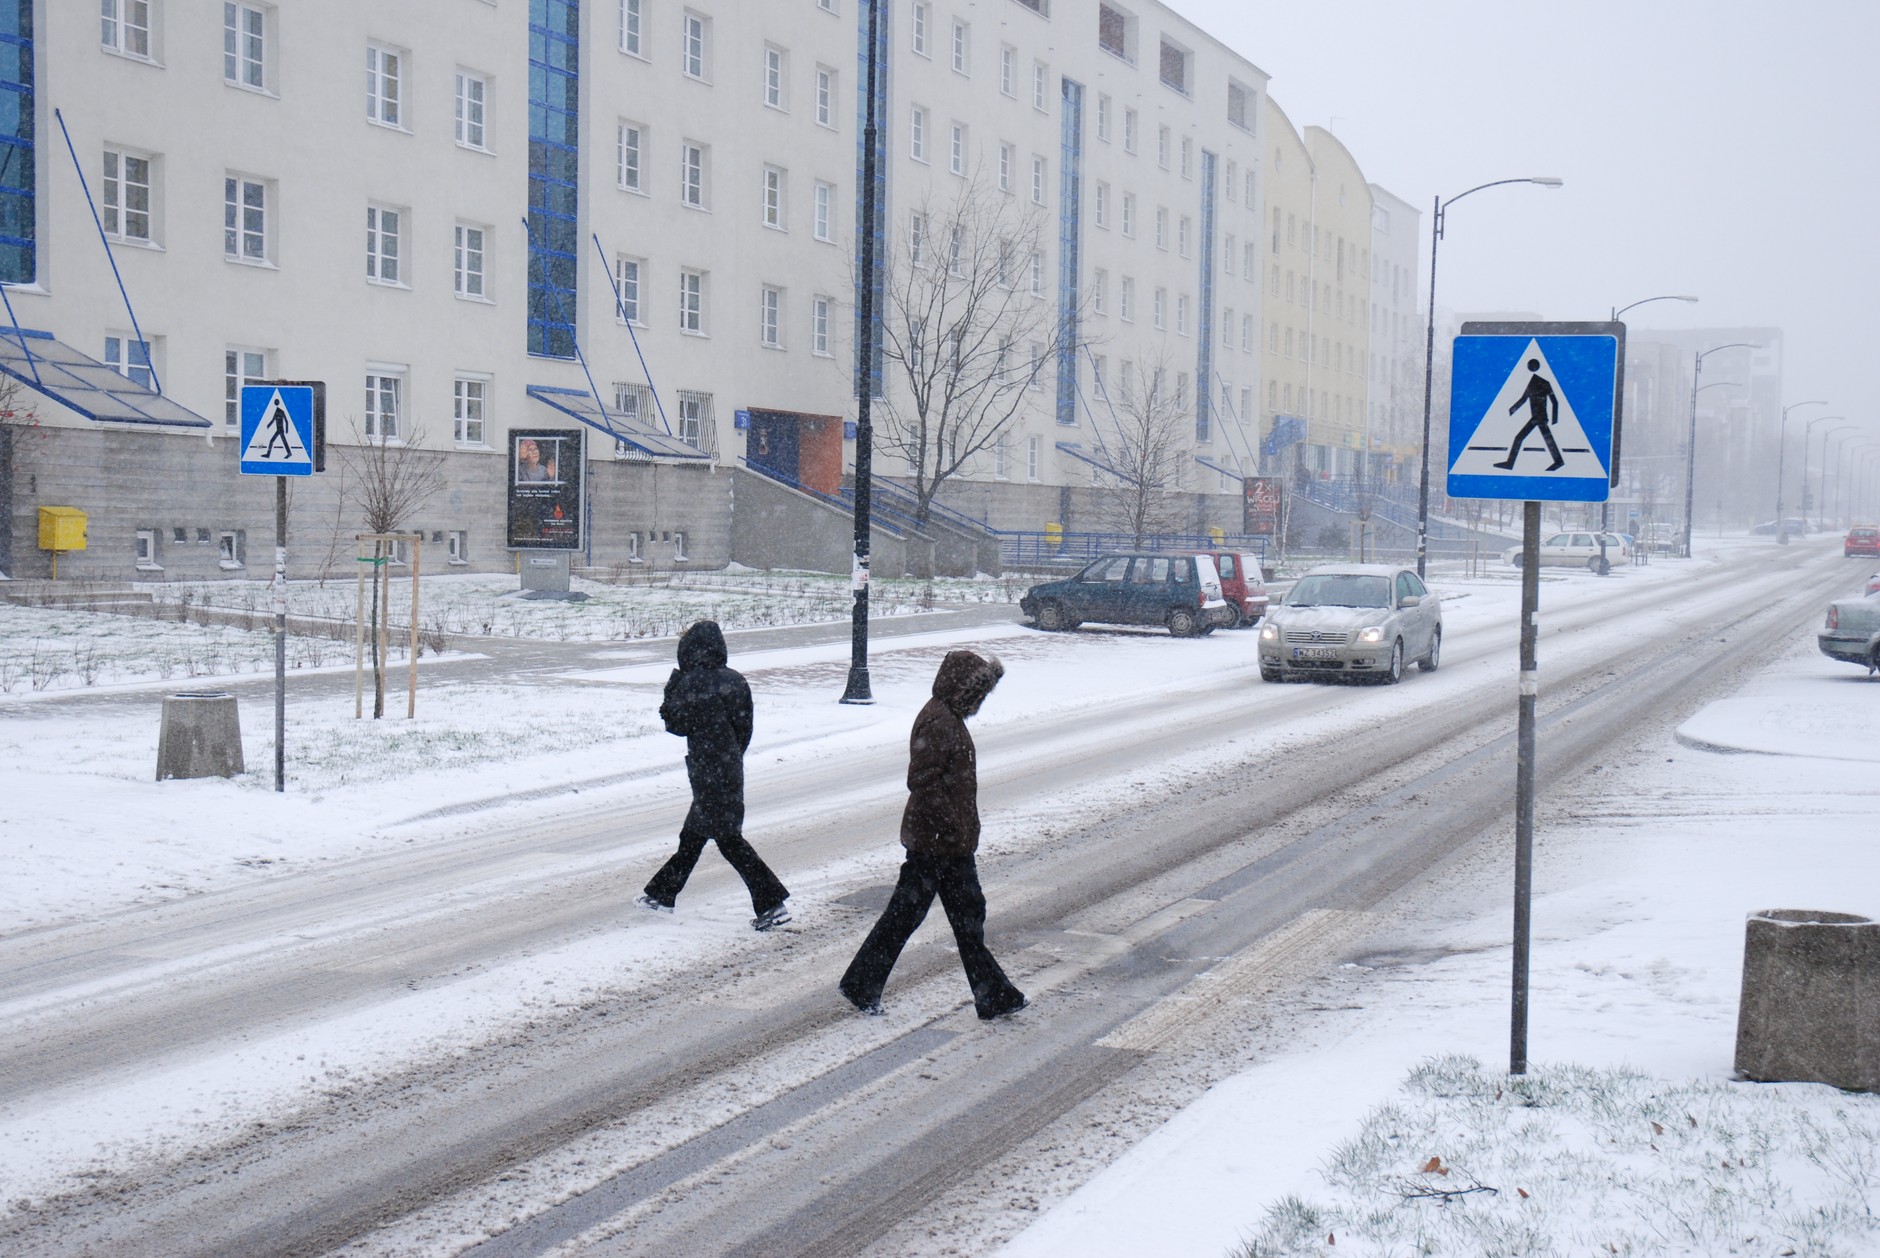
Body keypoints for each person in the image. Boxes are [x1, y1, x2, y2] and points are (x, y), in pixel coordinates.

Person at [838, 650, 1027, 1020]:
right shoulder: (940, 721)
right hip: (938, 843)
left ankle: (991, 995)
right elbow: (922, 782)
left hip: (943, 841)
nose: (982, 699)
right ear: (962, 688)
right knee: (946, 917)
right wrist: (952, 826)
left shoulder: (947, 717)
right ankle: (990, 995)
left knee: (942, 916)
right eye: (979, 692)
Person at [639, 620, 792, 931]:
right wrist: (729, 755)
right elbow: (745, 727)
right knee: (692, 837)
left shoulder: (693, 682)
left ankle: (772, 904)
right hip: (729, 768)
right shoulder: (735, 680)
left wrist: (674, 684)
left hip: (706, 771)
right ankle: (662, 895)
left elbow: (675, 724)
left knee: (729, 840)